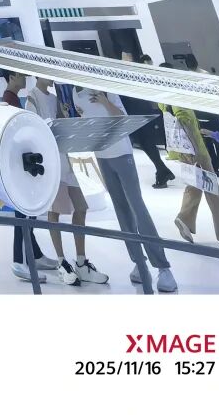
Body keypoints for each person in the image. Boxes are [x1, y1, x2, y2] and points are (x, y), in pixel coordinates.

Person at [72, 82, 178, 292]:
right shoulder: (76, 94)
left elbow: (123, 117)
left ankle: (163, 267)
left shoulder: (105, 88)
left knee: (138, 208)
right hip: (102, 156)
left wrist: (104, 100)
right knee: (122, 211)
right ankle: (139, 262)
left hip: (121, 152)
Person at [24, 78, 107, 286]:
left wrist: (70, 115)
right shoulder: (32, 98)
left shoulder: (56, 98)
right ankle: (62, 263)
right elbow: (34, 131)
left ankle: (81, 262)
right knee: (55, 212)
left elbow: (64, 126)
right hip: (51, 164)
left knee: (81, 208)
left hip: (67, 160)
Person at [160, 89, 219, 247]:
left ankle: (184, 219)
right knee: (213, 193)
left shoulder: (164, 99)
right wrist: (196, 151)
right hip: (196, 151)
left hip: (184, 151)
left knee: (195, 186)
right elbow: (184, 121)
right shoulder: (177, 98)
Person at [2, 74, 56, 279]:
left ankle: (35, 255)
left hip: (23, 164)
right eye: (21, 75)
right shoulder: (9, 101)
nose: (25, 78)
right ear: (12, 77)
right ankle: (19, 261)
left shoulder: (13, 99)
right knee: (23, 214)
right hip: (18, 167)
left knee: (28, 213)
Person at [121, 57, 175, 188]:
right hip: (140, 114)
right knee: (146, 144)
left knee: (146, 143)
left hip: (139, 115)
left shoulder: (132, 79)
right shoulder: (131, 79)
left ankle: (162, 171)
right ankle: (162, 171)